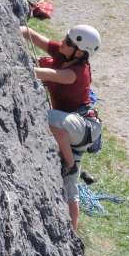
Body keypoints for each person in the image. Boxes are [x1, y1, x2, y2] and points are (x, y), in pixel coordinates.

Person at [20, 24, 102, 230]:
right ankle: (74, 234)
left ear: (80, 52)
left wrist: (19, 64)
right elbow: (34, 36)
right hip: (73, 129)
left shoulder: (76, 73)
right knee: (70, 187)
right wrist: (16, 28)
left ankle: (69, 162)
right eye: (66, 39)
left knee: (49, 118)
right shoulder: (65, 53)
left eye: (67, 42)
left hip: (83, 126)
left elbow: (47, 74)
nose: (62, 43)